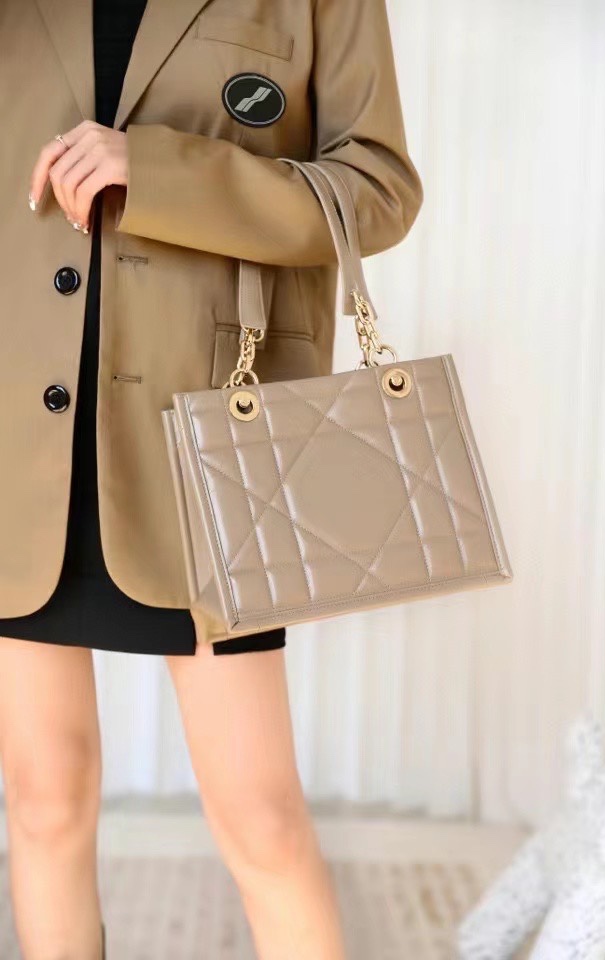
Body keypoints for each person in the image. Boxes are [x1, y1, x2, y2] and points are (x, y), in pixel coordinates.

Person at [0, 0, 423, 957]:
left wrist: (158, 171)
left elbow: (379, 188)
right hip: (18, 439)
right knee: (42, 800)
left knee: (261, 818)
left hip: (210, 441)